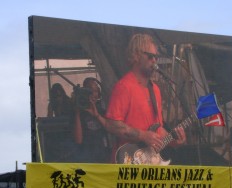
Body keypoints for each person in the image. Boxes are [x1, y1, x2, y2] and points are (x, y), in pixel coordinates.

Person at [105, 33, 186, 164]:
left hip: (151, 162)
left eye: (156, 57)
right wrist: (142, 135)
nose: (154, 61)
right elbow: (112, 125)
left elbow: (157, 129)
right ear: (136, 55)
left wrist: (173, 140)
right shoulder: (124, 87)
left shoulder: (155, 90)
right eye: (150, 56)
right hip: (129, 160)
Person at [73, 77, 110, 163]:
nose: (93, 94)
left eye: (96, 91)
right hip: (86, 157)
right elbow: (78, 140)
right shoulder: (78, 112)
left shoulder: (102, 110)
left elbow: (110, 128)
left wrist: (96, 115)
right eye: (90, 91)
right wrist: (77, 112)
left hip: (103, 154)